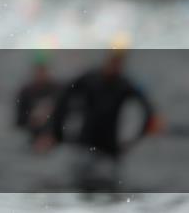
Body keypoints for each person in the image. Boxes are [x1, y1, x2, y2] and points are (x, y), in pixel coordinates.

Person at [35, 49, 154, 192]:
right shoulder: (90, 78)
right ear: (107, 60)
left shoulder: (124, 84)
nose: (115, 66)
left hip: (109, 152)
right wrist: (55, 132)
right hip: (84, 147)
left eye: (118, 62)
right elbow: (64, 97)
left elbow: (148, 111)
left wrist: (133, 140)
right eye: (113, 61)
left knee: (107, 187)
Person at [14, 51, 60, 143]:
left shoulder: (58, 90)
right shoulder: (26, 92)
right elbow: (19, 121)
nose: (40, 73)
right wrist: (33, 120)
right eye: (38, 69)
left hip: (54, 137)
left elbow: (63, 117)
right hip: (32, 137)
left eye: (43, 69)